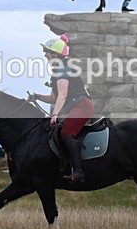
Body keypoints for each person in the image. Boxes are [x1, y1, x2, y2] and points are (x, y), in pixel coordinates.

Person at [27, 34, 94, 183]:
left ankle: (79, 172)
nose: (45, 54)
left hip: (82, 105)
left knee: (66, 133)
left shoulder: (63, 69)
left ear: (55, 54)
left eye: (47, 51)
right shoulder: (57, 71)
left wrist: (55, 114)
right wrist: (37, 96)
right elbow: (53, 98)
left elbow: (63, 95)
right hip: (77, 105)